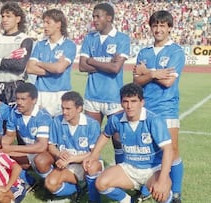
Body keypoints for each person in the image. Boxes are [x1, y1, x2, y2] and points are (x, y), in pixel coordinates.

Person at [82, 83, 173, 203]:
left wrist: (162, 180)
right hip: (129, 168)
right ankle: (129, 201)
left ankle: (170, 197)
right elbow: (105, 135)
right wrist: (93, 155)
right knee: (101, 183)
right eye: (125, 101)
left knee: (161, 194)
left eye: (134, 101)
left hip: (153, 169)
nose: (129, 106)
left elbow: (168, 149)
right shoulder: (116, 119)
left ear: (142, 102)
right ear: (121, 103)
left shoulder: (154, 120)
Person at [133, 10, 185, 203]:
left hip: (166, 108)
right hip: (145, 109)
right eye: (155, 25)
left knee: (172, 150)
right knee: (147, 149)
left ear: (169, 28)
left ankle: (176, 192)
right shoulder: (144, 52)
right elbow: (136, 82)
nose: (158, 29)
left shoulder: (176, 51)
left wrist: (147, 72)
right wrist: (155, 74)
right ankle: (147, 187)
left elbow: (169, 81)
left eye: (162, 26)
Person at [79, 3, 131, 165]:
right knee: (91, 141)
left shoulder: (122, 38)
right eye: (93, 16)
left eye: (98, 16)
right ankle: (92, 176)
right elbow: (81, 66)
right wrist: (106, 64)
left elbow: (115, 68)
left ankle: (121, 173)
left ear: (109, 17)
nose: (94, 20)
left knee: (118, 140)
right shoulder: (90, 38)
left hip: (114, 98)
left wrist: (93, 61)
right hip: (92, 97)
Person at [46, 91, 101, 203]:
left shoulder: (92, 124)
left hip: (86, 164)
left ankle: (93, 198)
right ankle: (77, 189)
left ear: (79, 108)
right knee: (50, 184)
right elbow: (51, 146)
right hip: (68, 166)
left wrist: (70, 159)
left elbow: (94, 153)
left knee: (92, 167)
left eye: (68, 109)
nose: (64, 112)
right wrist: (59, 154)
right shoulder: (57, 121)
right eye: (63, 108)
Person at [0, 1, 33, 106]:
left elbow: (19, 65)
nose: (4, 19)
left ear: (18, 19)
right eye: (3, 16)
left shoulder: (24, 39)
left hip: (16, 88)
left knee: (14, 121)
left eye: (8, 16)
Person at [26, 9, 76, 117]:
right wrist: (54, 69)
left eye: (48, 23)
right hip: (41, 93)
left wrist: (40, 63)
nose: (44, 26)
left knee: (59, 129)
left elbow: (59, 69)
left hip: (61, 93)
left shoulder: (69, 45)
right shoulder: (40, 45)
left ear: (58, 24)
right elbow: (30, 68)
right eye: (44, 22)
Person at [2, 82, 54, 184]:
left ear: (34, 100)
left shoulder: (43, 116)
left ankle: (52, 181)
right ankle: (28, 181)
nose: (19, 102)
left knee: (41, 161)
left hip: (46, 153)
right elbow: (10, 136)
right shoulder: (14, 112)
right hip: (28, 151)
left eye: (23, 99)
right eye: (17, 99)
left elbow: (42, 147)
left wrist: (12, 148)